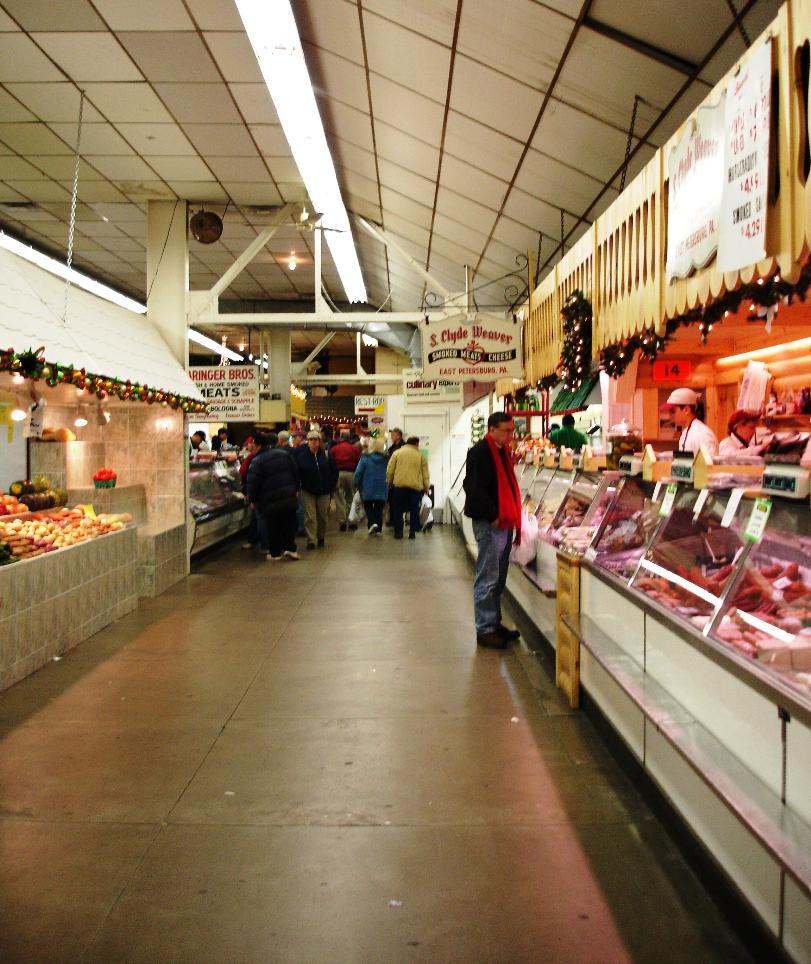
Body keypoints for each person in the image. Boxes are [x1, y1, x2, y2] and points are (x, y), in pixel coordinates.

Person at [463, 412, 522, 649]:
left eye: (511, 430)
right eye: (506, 430)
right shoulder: (480, 452)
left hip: (503, 521)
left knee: (497, 576)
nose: (510, 435)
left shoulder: (501, 451)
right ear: (492, 429)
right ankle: (485, 629)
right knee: (488, 577)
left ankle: (494, 622)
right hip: (490, 523)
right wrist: (492, 514)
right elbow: (473, 487)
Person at [247, 431, 300, 561]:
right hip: (288, 496)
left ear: (258, 445)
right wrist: (296, 489)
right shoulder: (285, 454)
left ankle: (276, 553)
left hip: (269, 500)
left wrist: (252, 499)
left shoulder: (257, 460)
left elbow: (253, 482)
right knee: (288, 524)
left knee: (273, 526)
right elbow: (295, 472)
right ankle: (291, 549)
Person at [295, 429, 337, 549]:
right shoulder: (302, 457)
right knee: (310, 517)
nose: (314, 442)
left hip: (324, 491)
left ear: (320, 441)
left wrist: (331, 484)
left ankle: (321, 536)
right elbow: (297, 472)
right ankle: (311, 540)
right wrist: (298, 486)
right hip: (308, 490)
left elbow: (334, 471)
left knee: (323, 516)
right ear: (308, 442)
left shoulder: (326, 455)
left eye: (316, 440)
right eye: (311, 440)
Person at [386, 436, 430, 540]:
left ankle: (399, 532)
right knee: (414, 509)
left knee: (398, 509)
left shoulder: (397, 453)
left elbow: (390, 470)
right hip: (415, 487)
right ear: (416, 444)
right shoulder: (420, 456)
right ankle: (412, 532)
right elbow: (425, 474)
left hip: (399, 486)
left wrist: (389, 482)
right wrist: (426, 487)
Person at [661, 387, 718, 455]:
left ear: (686, 410)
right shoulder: (686, 431)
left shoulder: (702, 434)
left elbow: (710, 463)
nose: (669, 416)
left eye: (673, 411)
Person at [354, 437, 388, 535]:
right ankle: (378, 529)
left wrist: (356, 483)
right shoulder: (386, 459)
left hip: (367, 486)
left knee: (368, 506)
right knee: (379, 508)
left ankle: (372, 523)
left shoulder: (365, 458)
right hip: (382, 486)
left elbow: (358, 472)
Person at [331, 429, 362, 531]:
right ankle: (352, 521)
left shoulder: (334, 449)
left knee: (339, 498)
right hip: (352, 474)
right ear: (350, 439)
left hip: (338, 474)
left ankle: (342, 522)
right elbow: (359, 462)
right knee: (352, 498)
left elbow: (330, 463)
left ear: (340, 438)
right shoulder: (354, 449)